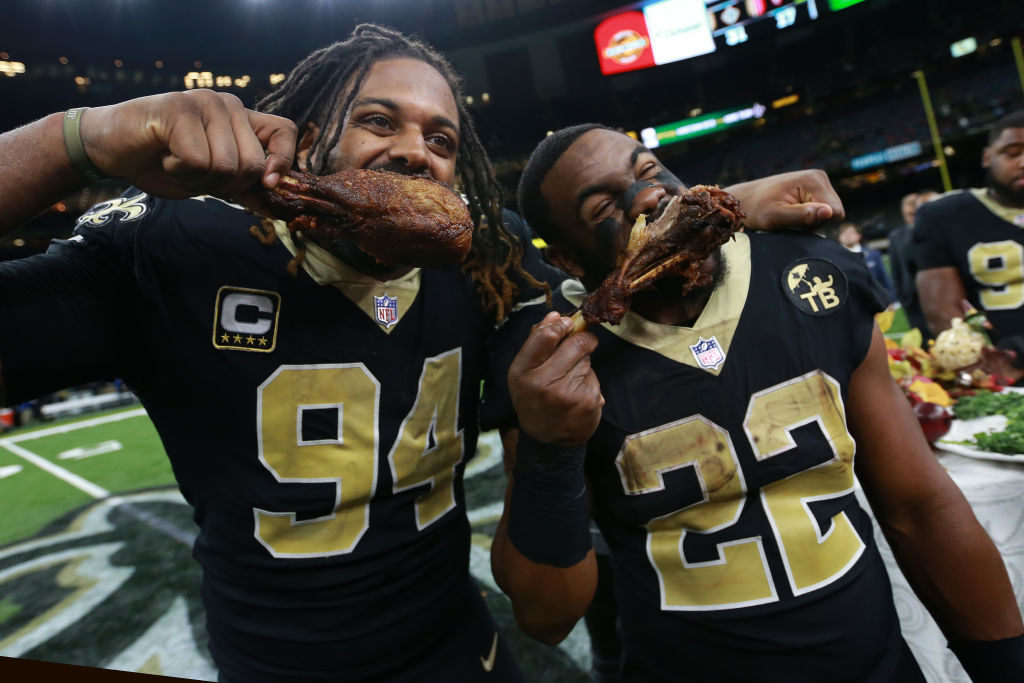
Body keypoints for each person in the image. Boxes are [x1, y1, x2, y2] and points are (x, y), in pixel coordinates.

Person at [0, 25, 853, 682]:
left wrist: (717, 208)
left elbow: (612, 273)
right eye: (378, 121)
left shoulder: (491, 258)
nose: (417, 149)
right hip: (275, 662)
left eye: (443, 140)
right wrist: (77, 138)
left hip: (462, 651)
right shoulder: (170, 245)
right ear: (305, 133)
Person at [486, 123, 1024, 682]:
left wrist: (1004, 666)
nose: (647, 196)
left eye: (649, 171)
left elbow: (918, 506)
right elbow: (546, 616)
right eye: (602, 208)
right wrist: (549, 449)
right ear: (569, 262)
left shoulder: (810, 269)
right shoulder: (553, 363)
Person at [916, 109, 1024, 383]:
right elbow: (944, 313)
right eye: (1013, 153)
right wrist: (978, 365)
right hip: (1002, 373)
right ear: (987, 157)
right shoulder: (944, 216)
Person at [887, 191, 934, 337]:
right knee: (921, 338)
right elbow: (896, 270)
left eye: (913, 211)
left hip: (935, 292)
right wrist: (902, 297)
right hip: (912, 298)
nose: (910, 215)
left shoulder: (932, 230)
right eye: (908, 212)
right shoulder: (896, 236)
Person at [837, 220, 897, 305]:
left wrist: (891, 299)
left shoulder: (873, 255)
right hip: (853, 304)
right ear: (839, 238)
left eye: (851, 233)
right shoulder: (835, 259)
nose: (848, 236)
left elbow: (884, 277)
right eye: (844, 233)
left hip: (877, 301)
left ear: (859, 236)